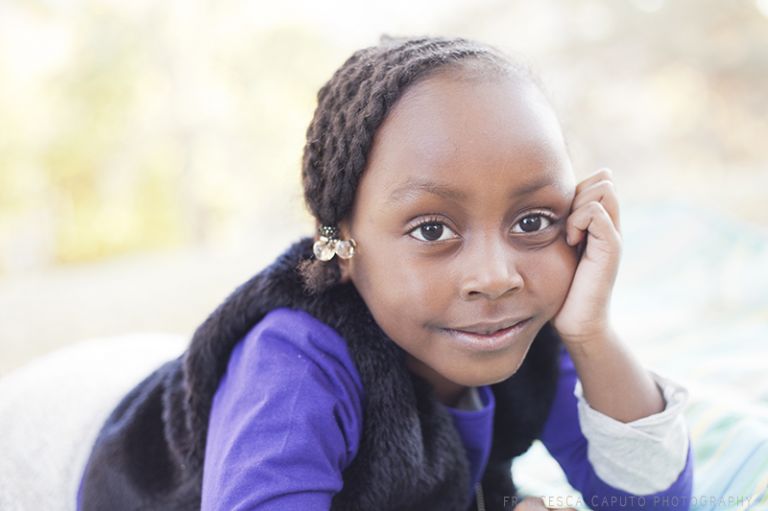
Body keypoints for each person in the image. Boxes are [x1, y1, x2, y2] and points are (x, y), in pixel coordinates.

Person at [76, 35, 693, 511]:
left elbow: (651, 500)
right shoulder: (293, 370)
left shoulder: (520, 327)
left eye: (532, 221)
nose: (497, 276)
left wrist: (592, 334)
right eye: (431, 230)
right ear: (341, 243)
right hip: (83, 437)